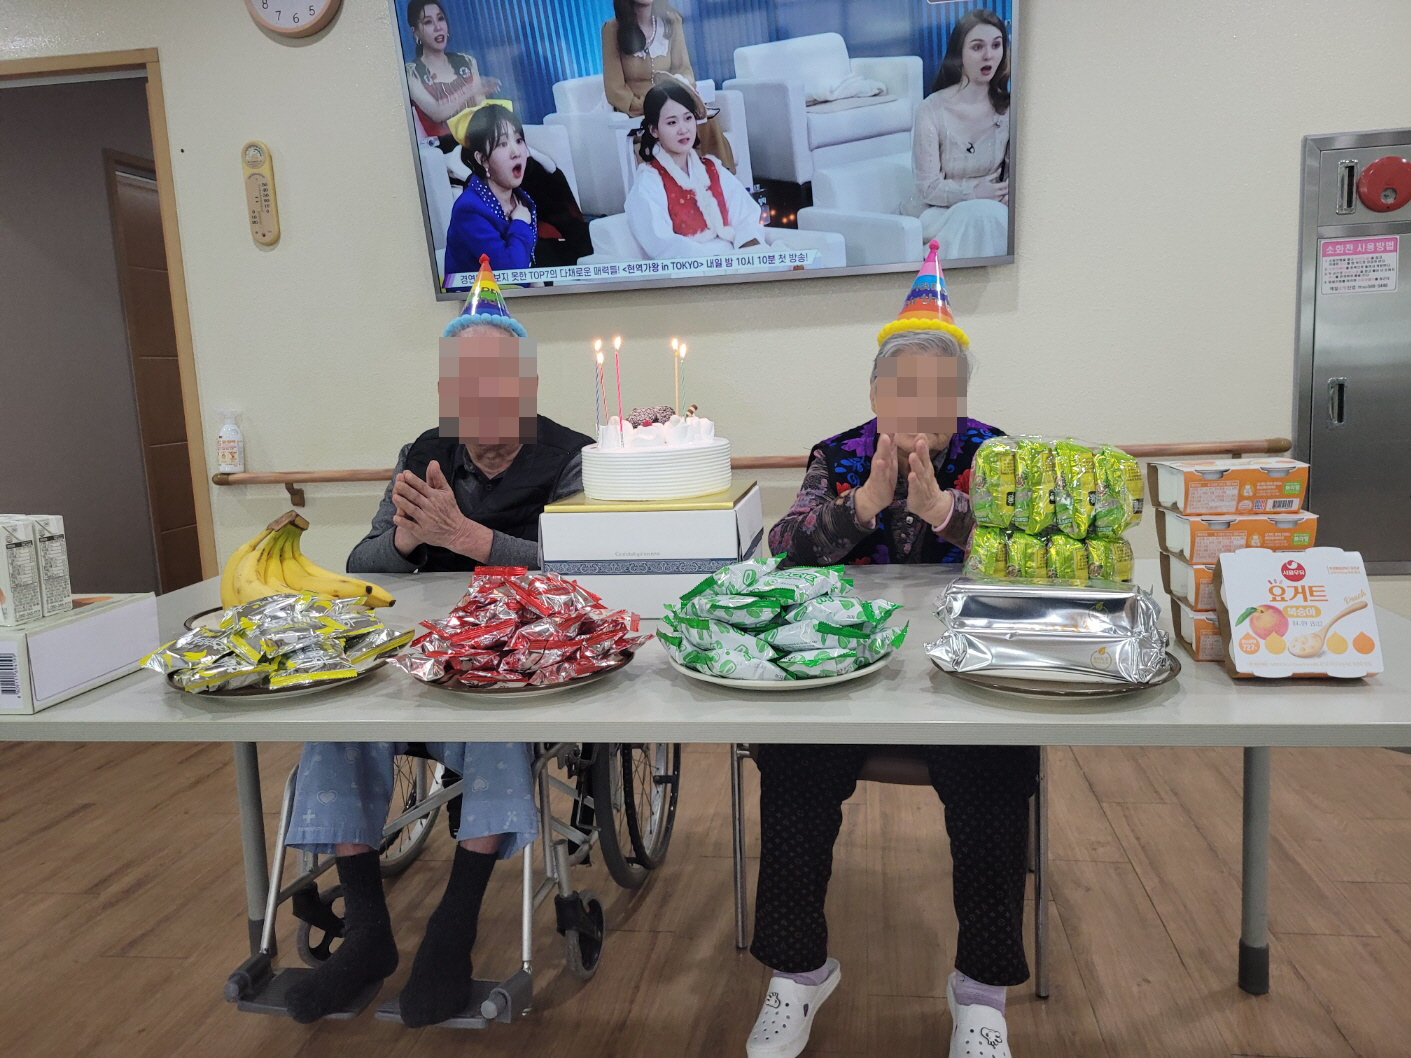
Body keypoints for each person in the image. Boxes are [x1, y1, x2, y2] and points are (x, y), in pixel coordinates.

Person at [745, 243, 1037, 1058]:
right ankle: (798, 973)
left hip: (963, 673)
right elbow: (782, 550)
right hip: (845, 671)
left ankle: (980, 992)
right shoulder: (837, 454)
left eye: (936, 390)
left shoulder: (996, 455)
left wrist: (946, 511)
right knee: (790, 760)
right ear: (875, 394)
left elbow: (1028, 558)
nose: (918, 405)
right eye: (901, 388)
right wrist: (865, 502)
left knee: (996, 769)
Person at [282, 261, 592, 1028]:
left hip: (516, 656)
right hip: (419, 651)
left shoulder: (571, 458)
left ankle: (451, 934)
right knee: (336, 719)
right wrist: (405, 540)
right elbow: (363, 563)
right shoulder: (423, 451)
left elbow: (585, 575)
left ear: (526, 386)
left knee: (491, 723)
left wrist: (472, 540)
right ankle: (367, 935)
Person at [404, 0, 589, 271]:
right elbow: (436, 111)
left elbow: (483, 112)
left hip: (481, 137)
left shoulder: (465, 62)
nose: (438, 27)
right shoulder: (411, 72)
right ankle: (527, 241)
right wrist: (472, 89)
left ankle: (574, 243)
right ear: (415, 32)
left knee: (543, 173)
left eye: (440, 19)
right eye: (427, 22)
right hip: (447, 147)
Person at [908, 10, 1012, 259]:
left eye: (996, 45)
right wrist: (972, 193)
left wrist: (1007, 193)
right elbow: (927, 188)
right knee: (980, 217)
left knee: (988, 217)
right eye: (977, 47)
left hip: (995, 209)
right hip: (941, 214)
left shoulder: (1010, 109)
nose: (989, 55)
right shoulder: (930, 110)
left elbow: (1014, 176)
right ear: (959, 54)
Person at [624, 81, 767, 260]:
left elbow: (747, 217)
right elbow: (663, 245)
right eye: (672, 122)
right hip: (694, 267)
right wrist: (716, 261)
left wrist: (749, 253)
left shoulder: (713, 169)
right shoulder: (649, 182)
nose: (683, 129)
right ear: (654, 130)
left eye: (688, 118)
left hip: (735, 260)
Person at [601, 0, 736, 173]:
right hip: (639, 112)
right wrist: (649, 107)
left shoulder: (671, 21)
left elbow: (684, 70)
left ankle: (719, 182)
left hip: (673, 102)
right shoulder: (612, 29)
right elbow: (614, 89)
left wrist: (679, 96)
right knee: (667, 125)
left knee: (706, 123)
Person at [443, 105, 538, 277]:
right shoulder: (469, 209)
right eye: (502, 144)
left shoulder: (520, 198)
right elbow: (511, 275)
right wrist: (520, 223)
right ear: (483, 160)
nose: (516, 152)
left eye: (518, 140)